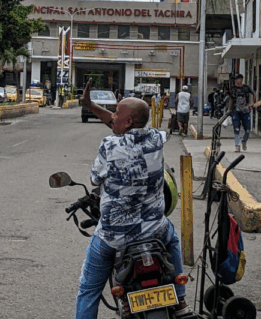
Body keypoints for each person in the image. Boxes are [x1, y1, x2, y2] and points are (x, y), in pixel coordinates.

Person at [77, 80, 193, 319]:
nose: (113, 117)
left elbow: (94, 180)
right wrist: (91, 105)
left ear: (128, 121)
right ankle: (180, 300)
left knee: (88, 289)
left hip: (114, 235)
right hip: (154, 229)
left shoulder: (110, 145)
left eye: (117, 112)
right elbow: (117, 122)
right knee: (172, 237)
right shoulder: (156, 139)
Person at [228, 74, 254, 152]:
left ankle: (244, 141)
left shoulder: (247, 88)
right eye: (236, 79)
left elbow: (254, 94)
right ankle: (237, 145)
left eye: (238, 79)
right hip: (236, 111)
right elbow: (231, 99)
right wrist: (229, 109)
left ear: (241, 79)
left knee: (247, 129)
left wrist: (252, 103)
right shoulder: (233, 89)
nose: (237, 81)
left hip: (245, 111)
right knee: (236, 128)